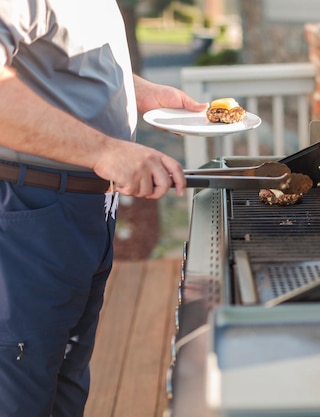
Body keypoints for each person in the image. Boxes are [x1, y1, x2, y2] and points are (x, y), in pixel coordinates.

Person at [0, 2, 207, 416]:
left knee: (63, 383)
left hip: (86, 209)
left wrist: (134, 91)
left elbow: (50, 61)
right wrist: (104, 149)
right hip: (30, 209)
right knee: (21, 390)